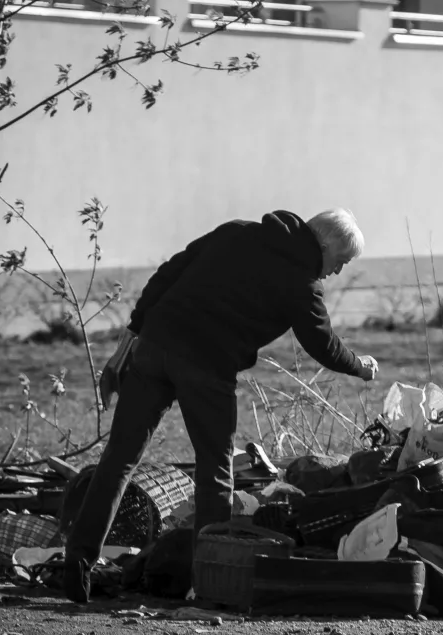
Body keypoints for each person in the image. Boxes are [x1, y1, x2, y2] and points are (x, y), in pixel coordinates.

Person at [63, 208, 379, 603]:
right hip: (206, 367)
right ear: (326, 244)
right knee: (215, 469)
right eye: (341, 261)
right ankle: (206, 583)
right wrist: (361, 367)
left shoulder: (237, 232)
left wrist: (135, 333)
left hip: (154, 348)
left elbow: (167, 273)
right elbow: (323, 345)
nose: (337, 271)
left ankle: (76, 563)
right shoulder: (302, 283)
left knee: (119, 459)